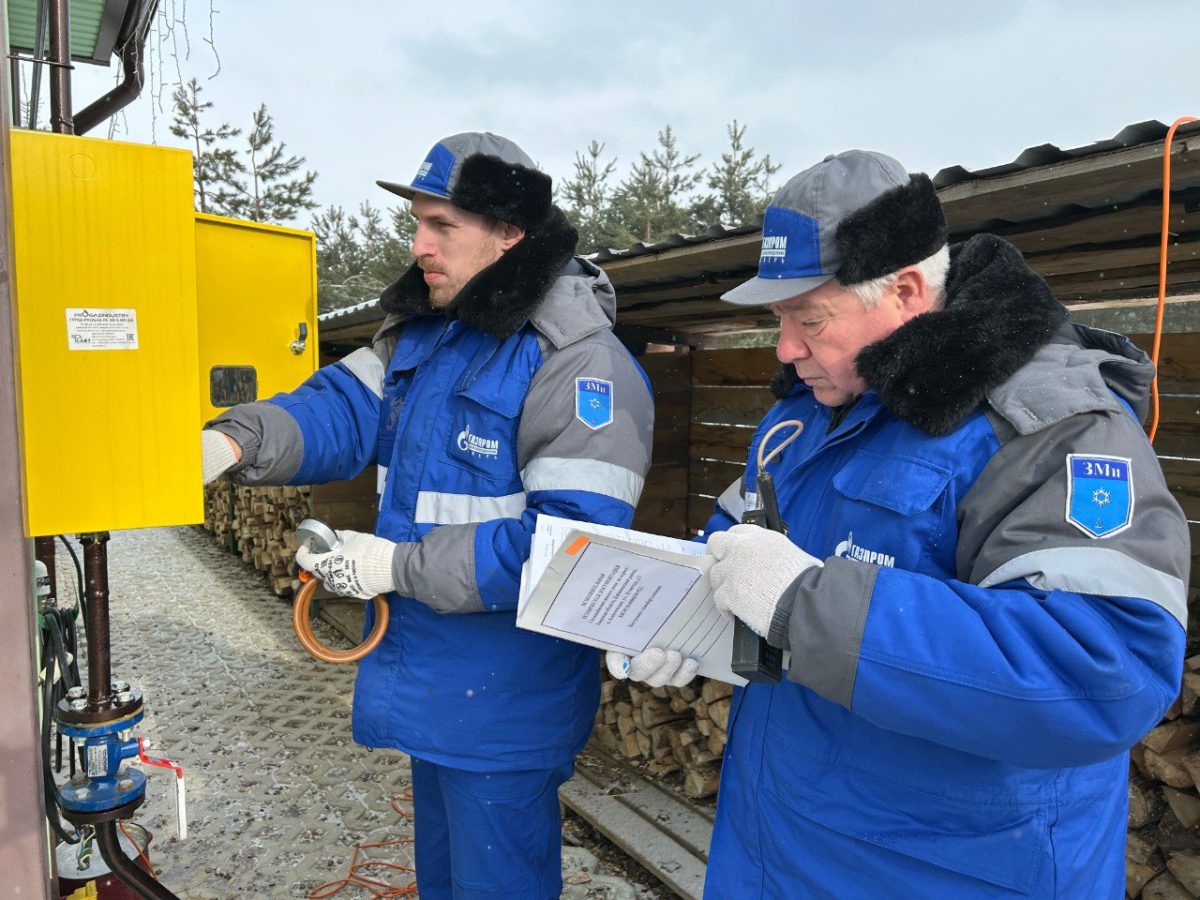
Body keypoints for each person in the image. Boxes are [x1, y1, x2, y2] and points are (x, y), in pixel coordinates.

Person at [608, 149, 1190, 897]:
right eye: (779, 319)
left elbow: (1102, 670)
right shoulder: (803, 420)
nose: (785, 349)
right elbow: (730, 551)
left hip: (949, 870)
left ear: (907, 290)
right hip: (779, 844)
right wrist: (675, 612)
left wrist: (805, 606)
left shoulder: (1048, 429)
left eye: (809, 318)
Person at [201, 132, 655, 899]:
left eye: (442, 226)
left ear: (509, 233)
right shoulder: (425, 334)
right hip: (434, 691)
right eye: (417, 222)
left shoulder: (577, 364)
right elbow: (337, 408)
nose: (419, 246)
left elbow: (574, 546)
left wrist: (394, 567)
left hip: (506, 705)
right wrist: (233, 439)